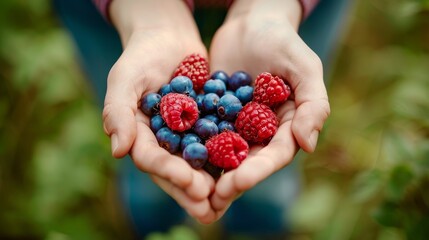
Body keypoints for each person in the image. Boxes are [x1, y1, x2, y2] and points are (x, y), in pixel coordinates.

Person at [54, 0, 353, 238]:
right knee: (143, 162)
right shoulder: (183, 112)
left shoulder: (226, 114)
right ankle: (157, 230)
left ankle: (260, 230)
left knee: (267, 185)